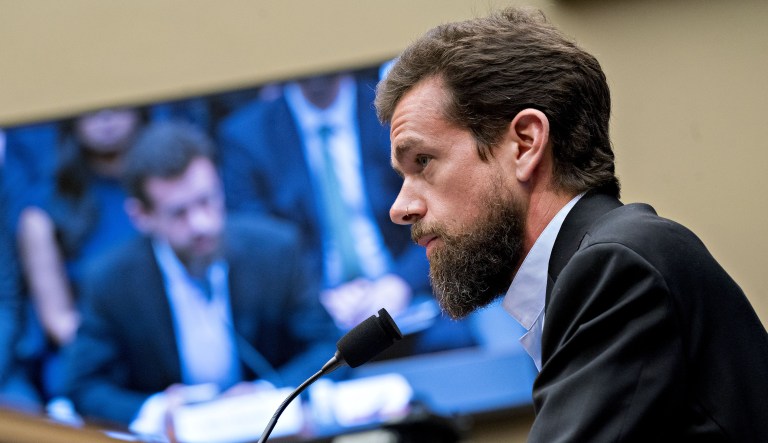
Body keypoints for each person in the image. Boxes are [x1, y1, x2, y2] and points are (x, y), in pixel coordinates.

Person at [374, 7, 768, 442]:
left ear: (524, 143)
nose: (401, 207)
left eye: (423, 161)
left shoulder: (618, 267)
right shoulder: (602, 263)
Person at [61, 121, 338, 437]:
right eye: (179, 213)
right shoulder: (110, 281)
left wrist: (268, 392)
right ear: (142, 216)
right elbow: (83, 385)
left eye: (207, 201)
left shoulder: (275, 249)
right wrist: (156, 410)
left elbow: (326, 346)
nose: (201, 224)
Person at [218, 69, 475, 353]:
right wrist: (315, 297)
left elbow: (447, 212)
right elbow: (255, 245)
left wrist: (399, 284)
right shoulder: (248, 137)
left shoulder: (398, 113)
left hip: (405, 293)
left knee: (455, 344)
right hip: (313, 313)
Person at [15, 107, 144, 401]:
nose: (106, 117)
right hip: (90, 355)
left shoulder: (166, 190)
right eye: (92, 109)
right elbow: (57, 319)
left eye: (116, 104)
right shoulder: (43, 210)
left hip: (166, 350)